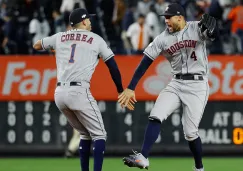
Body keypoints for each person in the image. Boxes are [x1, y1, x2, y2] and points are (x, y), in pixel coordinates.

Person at [118, 3, 217, 171]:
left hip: (198, 84)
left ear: (180, 17)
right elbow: (144, 64)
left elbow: (213, 34)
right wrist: (131, 87)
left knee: (190, 132)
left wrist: (214, 31)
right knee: (156, 114)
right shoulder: (162, 39)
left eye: (169, 17)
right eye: (165, 18)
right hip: (176, 83)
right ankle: (143, 157)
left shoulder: (196, 28)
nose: (166, 21)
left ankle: (199, 168)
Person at [33, 8, 134, 171]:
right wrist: (120, 90)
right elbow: (113, 66)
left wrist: (56, 47)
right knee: (100, 135)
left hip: (59, 95)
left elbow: (36, 45)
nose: (91, 22)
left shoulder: (61, 37)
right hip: (78, 91)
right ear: (85, 21)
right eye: (89, 20)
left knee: (85, 134)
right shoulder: (96, 39)